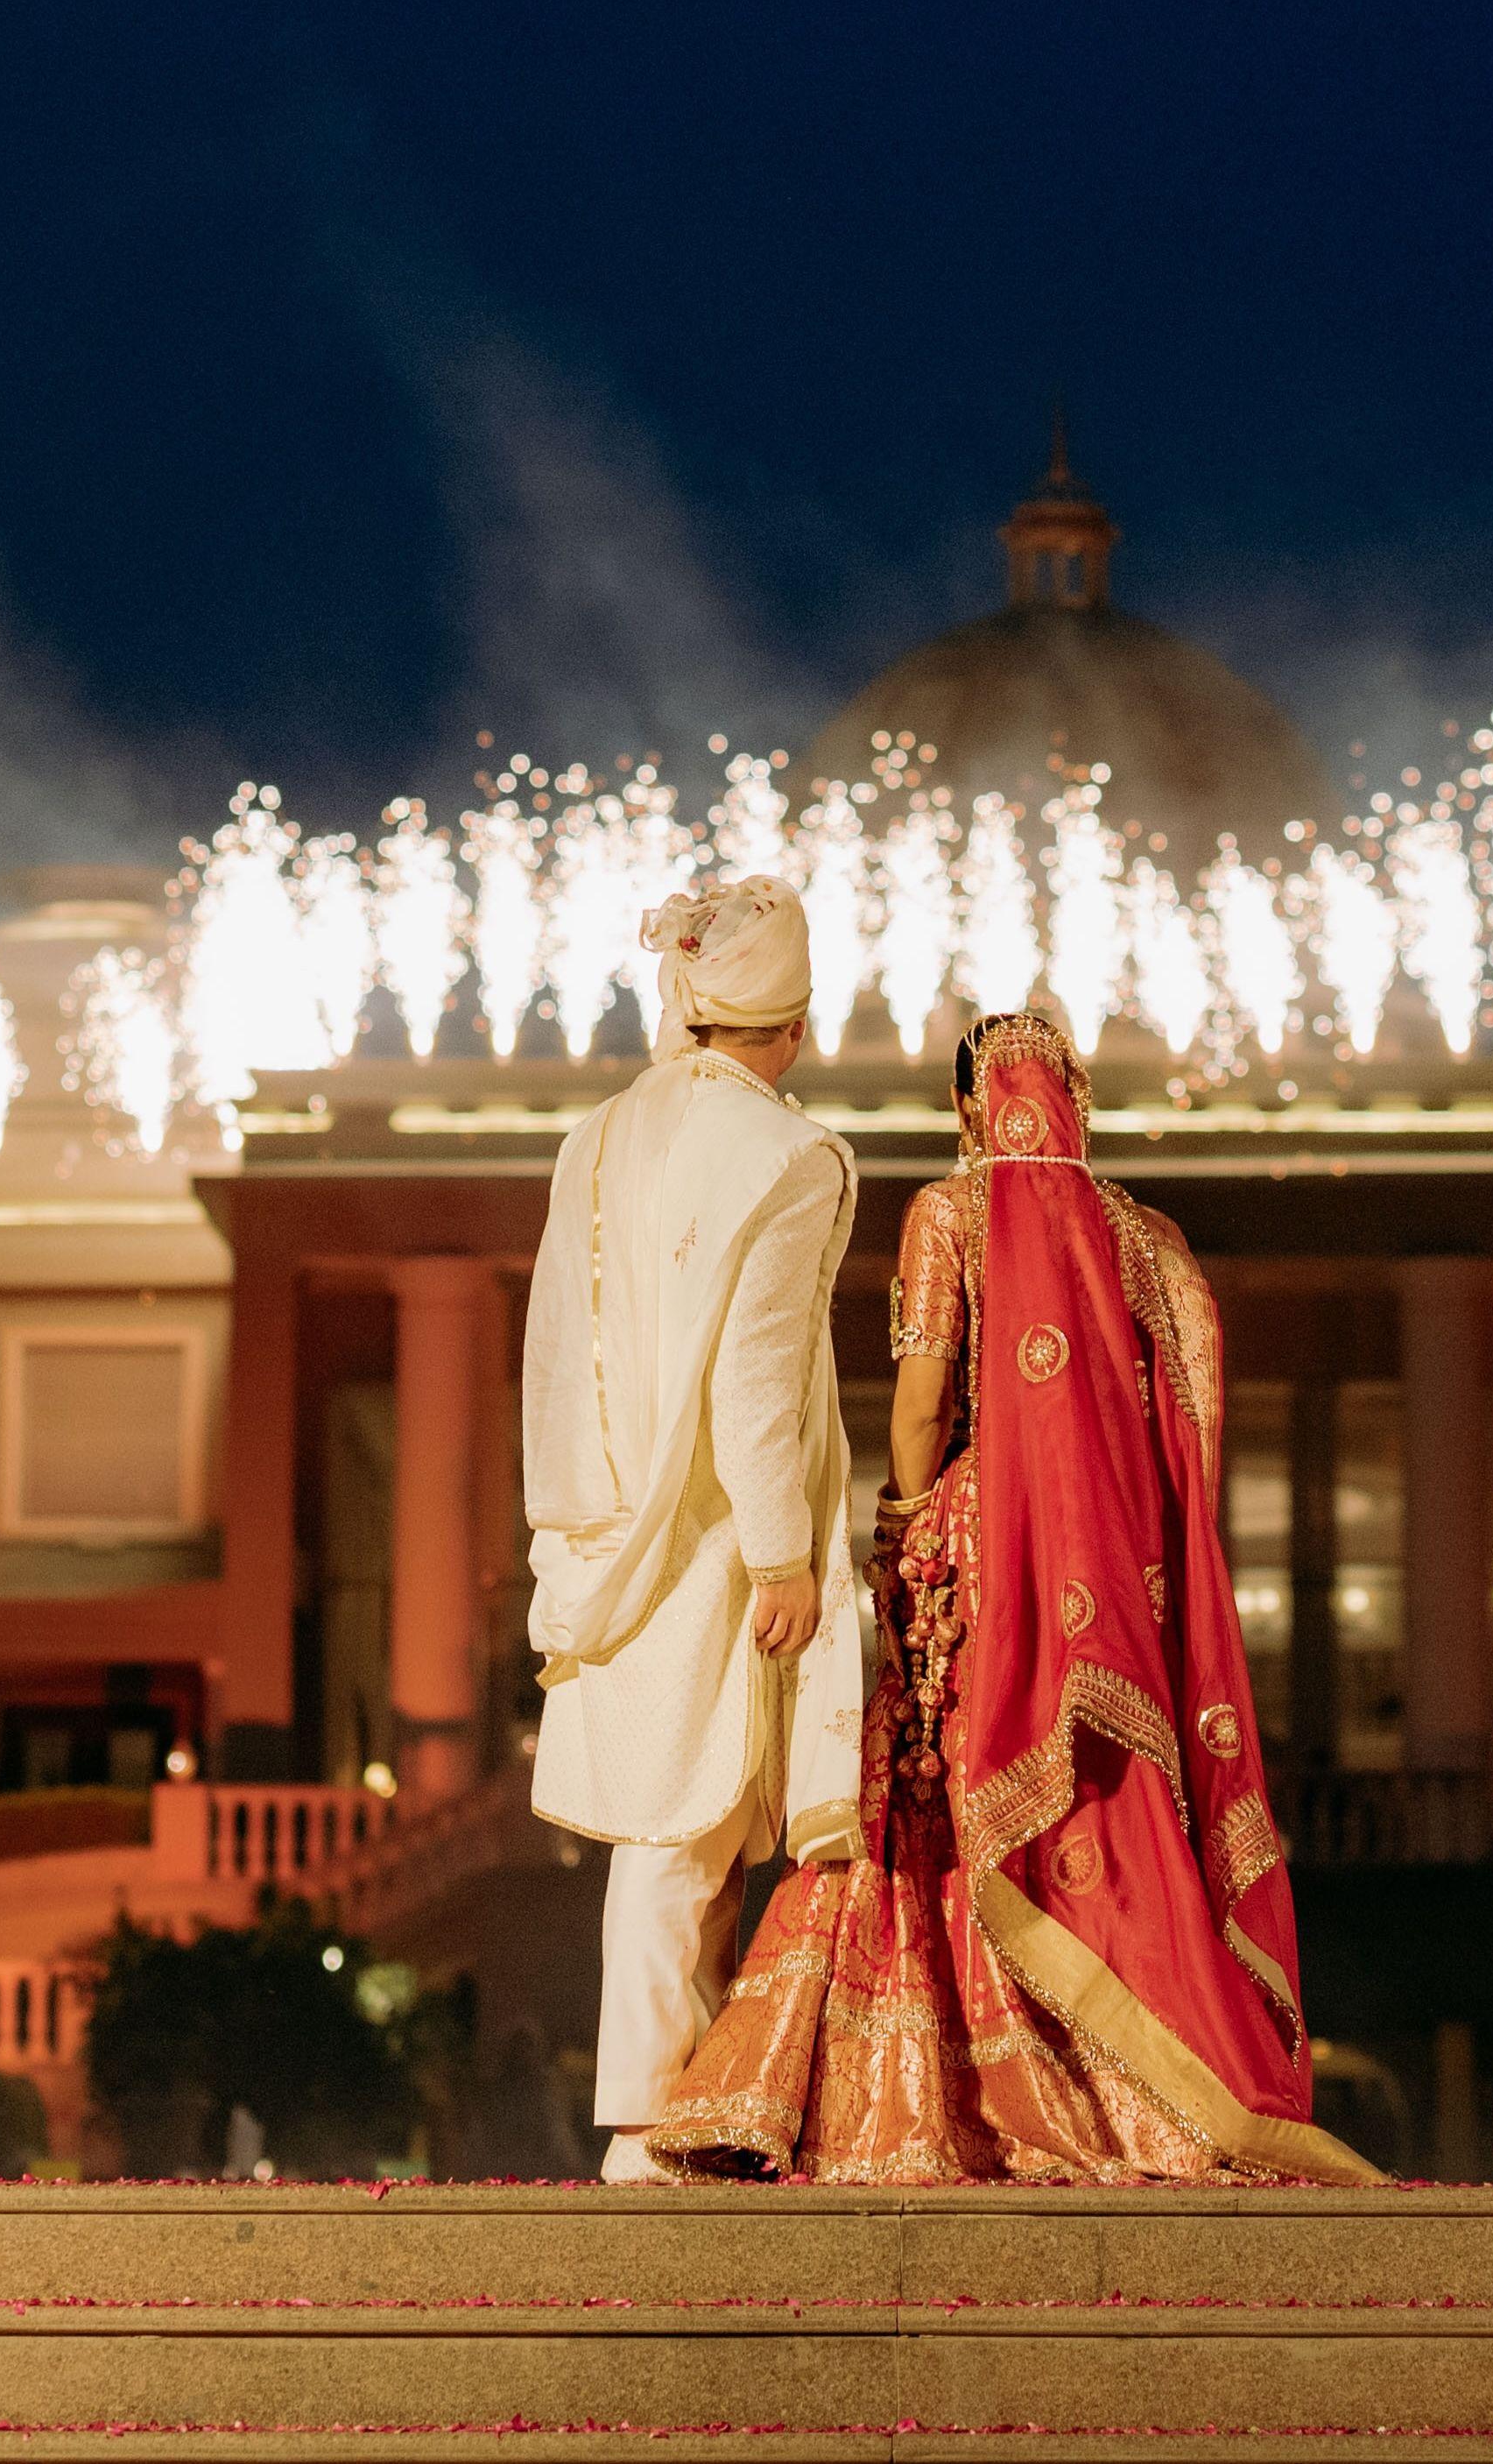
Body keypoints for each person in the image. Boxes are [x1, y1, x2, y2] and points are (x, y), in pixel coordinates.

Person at [645, 1010, 1374, 2185]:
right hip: (1112, 1571)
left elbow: (925, 1400)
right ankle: (1128, 2097)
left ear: (967, 1104)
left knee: (927, 1804)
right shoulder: (1148, 1238)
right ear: (1074, 1099)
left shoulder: (949, 1212)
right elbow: (1182, 1430)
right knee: (1097, 1823)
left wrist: (901, 1518)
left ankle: (930, 2100)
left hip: (978, 1557)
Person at [519, 876, 861, 2186]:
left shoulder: (597, 1136)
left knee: (683, 1831)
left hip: (607, 1525)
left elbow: (558, 1350)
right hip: (719, 1534)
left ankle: (695, 2110)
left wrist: (585, 1522)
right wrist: (783, 1553)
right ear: (796, 1021)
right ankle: (647, 2119)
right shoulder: (788, 1155)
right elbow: (757, 1380)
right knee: (688, 1832)